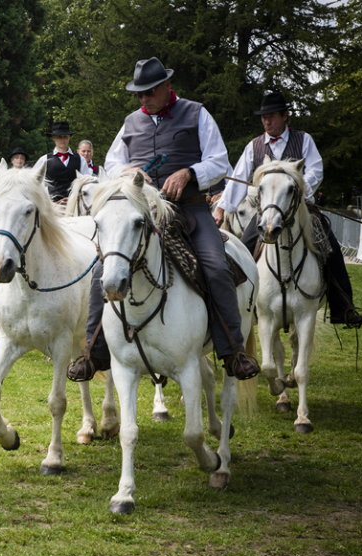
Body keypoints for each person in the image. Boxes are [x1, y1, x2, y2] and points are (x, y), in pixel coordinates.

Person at [68, 56, 259, 382]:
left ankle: (232, 351)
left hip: (191, 208)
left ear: (167, 86)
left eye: (149, 92)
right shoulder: (130, 122)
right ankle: (94, 352)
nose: (144, 99)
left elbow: (220, 162)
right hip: (142, 211)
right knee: (103, 267)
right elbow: (112, 165)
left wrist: (189, 173)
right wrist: (127, 171)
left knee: (215, 266)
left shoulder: (197, 113)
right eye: (139, 94)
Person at [213, 92, 362, 327]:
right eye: (264, 117)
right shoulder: (254, 146)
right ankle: (239, 306)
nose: (267, 121)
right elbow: (237, 180)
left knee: (330, 246)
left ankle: (342, 307)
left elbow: (315, 171)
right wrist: (222, 209)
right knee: (242, 251)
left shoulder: (303, 140)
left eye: (272, 116)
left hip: (302, 210)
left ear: (285, 116)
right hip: (266, 213)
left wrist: (298, 191)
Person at [33, 122, 90, 204]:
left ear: (69, 137)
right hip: (53, 207)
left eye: (65, 136)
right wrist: (46, 199)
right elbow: (35, 183)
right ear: (53, 137)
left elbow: (87, 184)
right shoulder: (44, 160)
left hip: (75, 206)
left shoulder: (80, 159)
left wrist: (76, 197)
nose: (62, 140)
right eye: (59, 137)